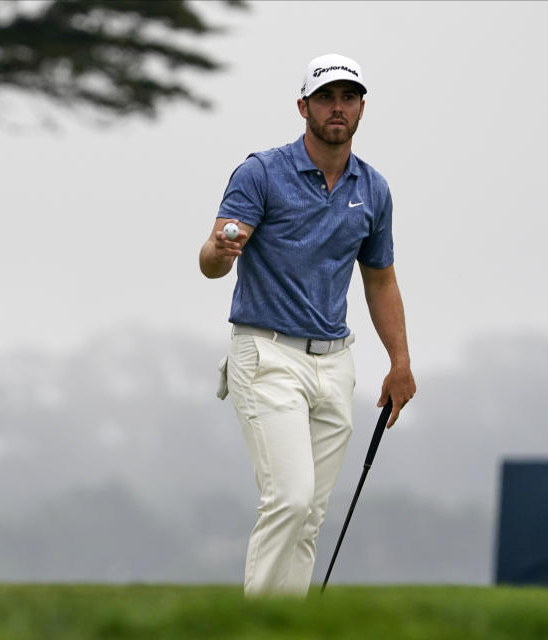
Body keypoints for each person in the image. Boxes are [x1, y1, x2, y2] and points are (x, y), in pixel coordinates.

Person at [199, 53, 416, 596]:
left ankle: (286, 625)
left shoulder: (374, 189)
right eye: (325, 98)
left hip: (334, 363)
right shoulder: (261, 172)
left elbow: (380, 280)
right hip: (266, 354)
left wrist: (400, 362)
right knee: (289, 500)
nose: (337, 108)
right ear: (303, 107)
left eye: (348, 97)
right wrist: (221, 251)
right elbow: (212, 260)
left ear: (362, 107)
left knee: (310, 517)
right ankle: (258, 627)